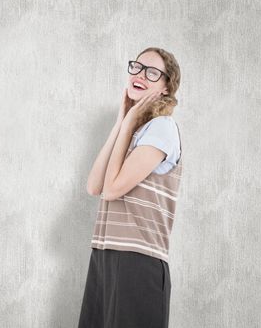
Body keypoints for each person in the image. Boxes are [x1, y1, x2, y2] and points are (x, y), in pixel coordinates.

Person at [78, 47, 182, 328]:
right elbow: (94, 185)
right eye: (136, 67)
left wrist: (129, 124)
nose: (139, 75)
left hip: (138, 262)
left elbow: (111, 190)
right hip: (105, 256)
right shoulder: (136, 131)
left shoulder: (162, 128)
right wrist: (121, 122)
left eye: (152, 72)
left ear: (165, 88)